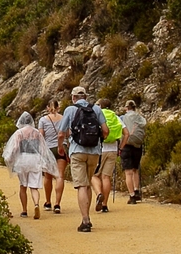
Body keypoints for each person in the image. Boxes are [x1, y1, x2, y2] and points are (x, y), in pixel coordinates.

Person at [57, 86, 106, 232]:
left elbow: (61, 134)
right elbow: (105, 131)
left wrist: (61, 147)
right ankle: (88, 215)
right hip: (94, 152)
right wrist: (97, 141)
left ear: (73, 97)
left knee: (81, 185)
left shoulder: (70, 110)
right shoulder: (96, 109)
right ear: (85, 96)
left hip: (77, 151)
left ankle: (85, 220)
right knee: (88, 184)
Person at [3, 112, 57, 219]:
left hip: (23, 160)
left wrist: (9, 158)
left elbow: (15, 148)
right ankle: (36, 204)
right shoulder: (37, 133)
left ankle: (24, 210)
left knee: (23, 186)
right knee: (34, 187)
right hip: (35, 160)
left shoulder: (19, 133)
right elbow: (43, 148)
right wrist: (45, 160)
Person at [37, 98, 66, 214]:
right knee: (60, 176)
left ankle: (48, 202)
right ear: (58, 107)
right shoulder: (63, 118)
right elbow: (67, 133)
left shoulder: (43, 120)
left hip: (48, 149)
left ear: (47, 108)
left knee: (48, 177)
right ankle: (57, 204)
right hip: (61, 148)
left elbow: (40, 136)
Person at [96, 98, 122, 213]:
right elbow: (126, 133)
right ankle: (105, 205)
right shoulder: (115, 117)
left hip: (101, 149)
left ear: (100, 106)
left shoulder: (98, 115)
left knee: (94, 175)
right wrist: (120, 147)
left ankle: (99, 194)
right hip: (113, 149)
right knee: (106, 177)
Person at [119, 99, 147, 204]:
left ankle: (132, 196)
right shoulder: (140, 118)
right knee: (135, 169)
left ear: (126, 108)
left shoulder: (123, 118)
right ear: (135, 107)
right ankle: (136, 190)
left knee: (128, 172)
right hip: (137, 146)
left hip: (126, 145)